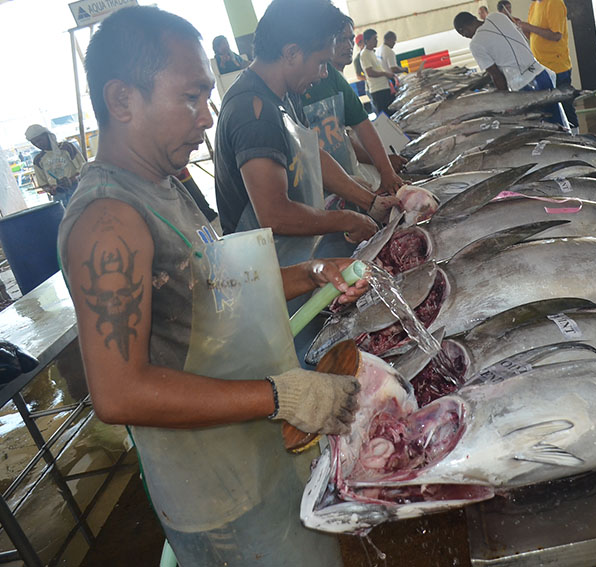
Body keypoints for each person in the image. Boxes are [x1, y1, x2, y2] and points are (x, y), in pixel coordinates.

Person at [59, 6, 365, 566]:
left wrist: (312, 274)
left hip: (250, 446)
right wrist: (281, 395)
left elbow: (213, 289)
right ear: (122, 99)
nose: (207, 116)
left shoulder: (162, 184)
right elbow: (118, 392)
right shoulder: (108, 221)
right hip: (213, 493)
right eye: (191, 97)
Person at [214, 0, 397, 363]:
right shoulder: (253, 112)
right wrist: (347, 219)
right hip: (270, 280)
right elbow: (274, 214)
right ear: (292, 53)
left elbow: (313, 157)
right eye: (320, 62)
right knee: (301, 366)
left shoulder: (281, 96)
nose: (322, 74)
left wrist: (368, 202)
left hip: (297, 261)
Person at [302, 17, 406, 194]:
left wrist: (386, 170)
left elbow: (361, 123)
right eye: (341, 40)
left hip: (348, 176)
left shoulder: (333, 76)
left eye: (351, 39)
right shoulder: (294, 87)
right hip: (318, 188)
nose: (348, 45)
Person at [453, 11, 555, 93]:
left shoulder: (475, 44)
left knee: (540, 117)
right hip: (540, 72)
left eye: (463, 35)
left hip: (523, 85)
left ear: (463, 30)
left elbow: (496, 75)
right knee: (556, 114)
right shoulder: (497, 16)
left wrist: (504, 100)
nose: (466, 37)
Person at [524, 0, 579, 127]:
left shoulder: (554, 3)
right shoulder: (534, 6)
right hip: (541, 67)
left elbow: (556, 36)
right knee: (550, 109)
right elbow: (533, 35)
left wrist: (529, 27)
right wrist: (522, 28)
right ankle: (562, 136)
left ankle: (576, 137)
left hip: (557, 67)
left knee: (565, 106)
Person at [25, 124, 85, 207]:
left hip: (79, 189)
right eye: (34, 143)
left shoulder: (66, 147)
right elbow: (44, 184)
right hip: (59, 196)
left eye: (40, 140)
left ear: (47, 136)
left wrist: (71, 180)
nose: (38, 144)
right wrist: (51, 189)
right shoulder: (38, 160)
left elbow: (84, 169)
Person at [360, 28, 396, 114]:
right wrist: (385, 73)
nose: (376, 41)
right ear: (367, 40)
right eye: (374, 39)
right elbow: (370, 72)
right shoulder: (364, 54)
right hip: (378, 90)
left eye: (376, 38)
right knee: (385, 116)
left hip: (384, 87)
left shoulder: (372, 52)